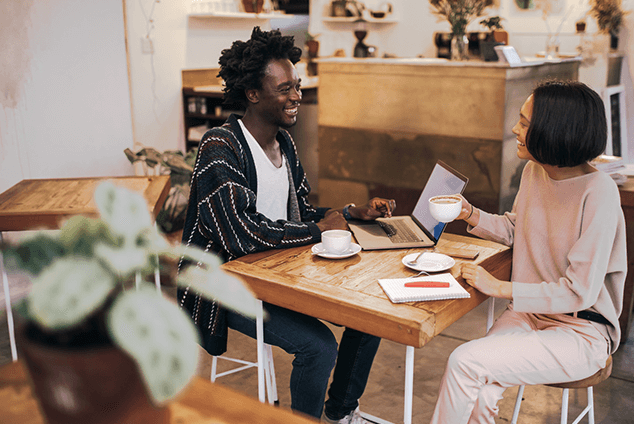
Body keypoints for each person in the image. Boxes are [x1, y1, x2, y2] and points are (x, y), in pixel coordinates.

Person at [177, 27, 396, 423]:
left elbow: (296, 216)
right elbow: (242, 236)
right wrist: (321, 230)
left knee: (373, 312)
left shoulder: (284, 143)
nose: (296, 96)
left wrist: (349, 213)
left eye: (297, 86)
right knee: (319, 347)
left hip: (281, 272)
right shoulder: (219, 149)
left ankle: (338, 413)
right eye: (285, 89)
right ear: (253, 94)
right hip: (226, 283)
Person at [429, 80, 627, 424]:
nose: (514, 129)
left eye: (524, 123)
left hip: (582, 331)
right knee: (480, 390)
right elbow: (519, 230)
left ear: (554, 130)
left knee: (465, 362)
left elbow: (578, 291)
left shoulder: (600, 194)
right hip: (528, 315)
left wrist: (501, 287)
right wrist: (469, 213)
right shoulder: (534, 172)